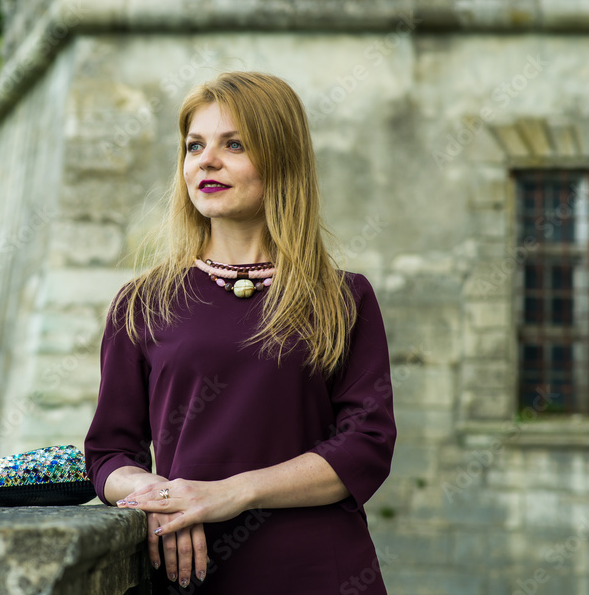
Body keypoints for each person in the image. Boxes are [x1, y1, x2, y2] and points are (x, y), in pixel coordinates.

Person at [84, 71, 396, 593]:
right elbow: (109, 453)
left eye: (234, 145)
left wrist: (233, 493)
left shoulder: (343, 298)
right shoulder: (142, 304)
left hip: (321, 571)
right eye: (194, 146)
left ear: (281, 159)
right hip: (191, 573)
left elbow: (365, 444)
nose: (207, 160)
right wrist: (158, 494)